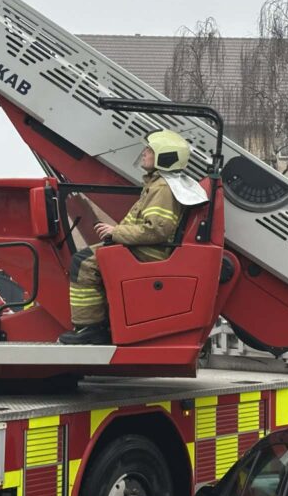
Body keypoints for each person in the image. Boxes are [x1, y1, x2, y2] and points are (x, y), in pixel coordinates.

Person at [59, 129, 207, 345]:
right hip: (142, 247)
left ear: (164, 157)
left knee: (83, 263)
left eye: (150, 150)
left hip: (147, 251)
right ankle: (98, 325)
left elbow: (156, 230)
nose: (144, 153)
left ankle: (90, 329)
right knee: (85, 259)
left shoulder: (162, 188)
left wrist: (115, 232)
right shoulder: (157, 185)